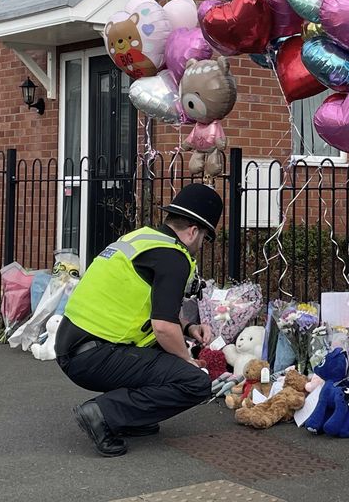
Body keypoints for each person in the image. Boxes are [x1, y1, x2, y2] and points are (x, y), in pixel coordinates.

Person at [56, 183, 223, 457]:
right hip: (94, 353)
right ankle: (103, 414)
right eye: (204, 237)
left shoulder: (145, 239)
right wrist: (189, 361)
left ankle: (130, 417)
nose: (201, 245)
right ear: (193, 231)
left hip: (77, 345)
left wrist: (189, 327)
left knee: (167, 357)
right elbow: (162, 328)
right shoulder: (175, 258)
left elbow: (150, 308)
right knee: (195, 382)